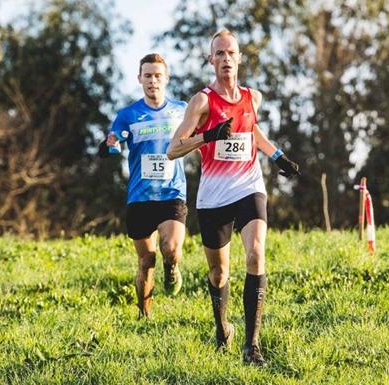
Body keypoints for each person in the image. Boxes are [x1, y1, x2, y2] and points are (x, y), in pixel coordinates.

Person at [167, 29, 300, 365]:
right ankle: (222, 327)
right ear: (211, 60)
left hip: (248, 187)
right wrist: (207, 135)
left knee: (256, 254)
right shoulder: (202, 102)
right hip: (213, 198)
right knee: (219, 274)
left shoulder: (252, 97)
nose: (226, 59)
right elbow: (172, 149)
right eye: (219, 54)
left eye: (231, 53)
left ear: (240, 58)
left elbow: (251, 131)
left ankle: (251, 347)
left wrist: (277, 156)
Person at [99, 53, 188, 319]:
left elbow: (203, 132)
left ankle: (172, 268)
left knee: (170, 248)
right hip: (140, 196)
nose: (153, 81)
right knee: (146, 260)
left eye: (158, 75)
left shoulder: (181, 110)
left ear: (166, 78)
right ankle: (144, 314)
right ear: (139, 79)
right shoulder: (128, 115)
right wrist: (110, 145)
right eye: (147, 76)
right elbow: (111, 143)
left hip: (172, 193)